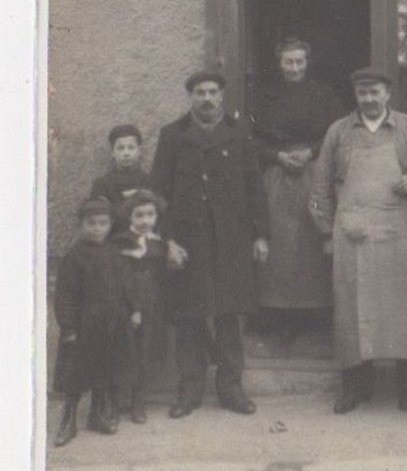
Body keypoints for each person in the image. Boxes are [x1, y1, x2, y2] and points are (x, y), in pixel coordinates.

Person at [310, 67, 407, 413]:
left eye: (374, 92)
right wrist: (325, 230)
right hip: (353, 233)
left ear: (387, 93)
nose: (368, 98)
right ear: (355, 96)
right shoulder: (339, 131)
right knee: (353, 305)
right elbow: (320, 185)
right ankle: (355, 386)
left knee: (403, 305)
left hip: (399, 231)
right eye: (362, 92)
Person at [150, 70, 270, 419]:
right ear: (191, 97)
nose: (206, 98)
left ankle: (232, 388)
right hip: (188, 241)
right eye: (199, 92)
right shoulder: (173, 136)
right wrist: (168, 241)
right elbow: (159, 193)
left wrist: (261, 234)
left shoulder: (239, 134)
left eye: (212, 92)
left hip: (232, 239)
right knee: (189, 316)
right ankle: (189, 390)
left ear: (222, 97)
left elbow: (254, 188)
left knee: (229, 315)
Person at [251, 38, 343, 337]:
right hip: (276, 174)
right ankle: (278, 317)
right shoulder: (264, 96)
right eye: (288, 62)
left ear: (307, 62)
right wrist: (277, 155)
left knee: (311, 240)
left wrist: (311, 152)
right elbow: (251, 138)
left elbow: (336, 133)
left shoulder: (323, 94)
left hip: (313, 172)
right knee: (279, 242)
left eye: (299, 62)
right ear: (279, 63)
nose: (294, 68)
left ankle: (313, 315)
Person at [53, 196, 141, 447]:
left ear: (110, 224)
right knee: (77, 373)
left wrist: (134, 309)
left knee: (105, 369)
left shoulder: (114, 253)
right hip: (84, 323)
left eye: (103, 223)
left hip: (112, 321)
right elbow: (65, 294)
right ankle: (68, 420)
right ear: (82, 224)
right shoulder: (75, 256)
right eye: (91, 223)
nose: (97, 228)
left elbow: (127, 285)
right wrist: (68, 326)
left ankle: (97, 415)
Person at [113, 189, 168, 424]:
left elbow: (163, 277)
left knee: (145, 353)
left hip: (152, 304)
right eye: (139, 216)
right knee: (124, 352)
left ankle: (139, 401)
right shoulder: (120, 242)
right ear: (129, 217)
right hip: (126, 304)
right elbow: (119, 277)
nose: (145, 221)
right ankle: (118, 399)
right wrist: (131, 306)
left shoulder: (160, 243)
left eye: (150, 215)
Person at [89, 124, 150, 230]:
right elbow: (98, 218)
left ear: (139, 151)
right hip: (112, 240)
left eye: (131, 147)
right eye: (120, 148)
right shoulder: (102, 184)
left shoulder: (149, 181)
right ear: (113, 152)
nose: (126, 153)